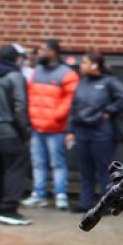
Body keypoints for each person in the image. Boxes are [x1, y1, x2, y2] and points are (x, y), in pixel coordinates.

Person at [66, 51, 123, 213]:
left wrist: (109, 111)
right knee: (86, 168)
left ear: (95, 65)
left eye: (85, 62)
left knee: (104, 169)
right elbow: (74, 107)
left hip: (101, 132)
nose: (82, 65)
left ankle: (107, 204)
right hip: (82, 131)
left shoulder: (109, 81)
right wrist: (70, 131)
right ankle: (85, 203)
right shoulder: (82, 82)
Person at [22, 39, 78, 210]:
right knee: (38, 163)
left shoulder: (67, 74)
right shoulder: (35, 72)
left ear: (53, 52)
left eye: (43, 50)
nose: (40, 54)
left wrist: (56, 117)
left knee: (57, 163)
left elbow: (71, 100)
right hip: (37, 128)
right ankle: (38, 194)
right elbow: (29, 97)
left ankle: (60, 194)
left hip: (56, 128)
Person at [0, 44, 34, 225]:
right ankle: (9, 209)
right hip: (9, 130)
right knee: (16, 168)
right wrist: (26, 134)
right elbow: (20, 107)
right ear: (16, 59)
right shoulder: (15, 77)